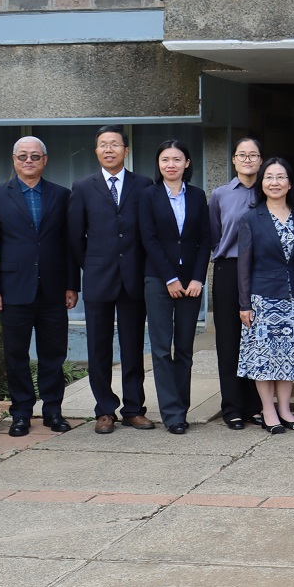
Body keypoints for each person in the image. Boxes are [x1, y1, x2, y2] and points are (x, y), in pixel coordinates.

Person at [0, 136, 79, 437]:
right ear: (14, 160)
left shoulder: (62, 195)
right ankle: (21, 413)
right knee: (16, 355)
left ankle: (53, 412)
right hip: (13, 290)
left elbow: (69, 244)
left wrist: (72, 285)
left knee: (53, 355)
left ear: (45, 160)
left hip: (53, 289)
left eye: (35, 156)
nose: (29, 161)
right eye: (23, 156)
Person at [68, 125, 154, 434]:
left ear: (126, 151)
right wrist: (89, 266)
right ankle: (104, 410)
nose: (109, 149)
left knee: (133, 348)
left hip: (133, 279)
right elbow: (75, 237)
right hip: (98, 279)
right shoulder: (82, 187)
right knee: (98, 349)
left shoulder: (143, 185)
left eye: (115, 145)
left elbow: (149, 234)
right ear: (96, 151)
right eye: (103, 145)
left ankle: (133, 408)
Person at [138, 140, 211, 435]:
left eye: (177, 159)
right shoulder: (148, 196)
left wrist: (197, 278)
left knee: (184, 348)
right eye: (165, 159)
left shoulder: (197, 196)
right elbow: (149, 239)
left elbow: (205, 239)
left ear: (187, 163)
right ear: (159, 164)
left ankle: (181, 409)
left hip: (191, 283)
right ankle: (171, 413)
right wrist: (169, 278)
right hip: (158, 280)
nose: (171, 164)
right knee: (160, 348)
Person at [237, 157, 294, 435]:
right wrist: (244, 303)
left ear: (290, 183)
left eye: (281, 177)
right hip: (262, 298)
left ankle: (286, 409)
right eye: (269, 177)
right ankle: (268, 411)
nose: (275, 182)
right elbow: (243, 265)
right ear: (261, 182)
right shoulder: (250, 218)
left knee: (289, 356)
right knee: (264, 358)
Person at [209, 137, 266, 429]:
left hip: (261, 271)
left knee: (257, 341)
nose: (247, 160)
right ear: (233, 160)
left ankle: (255, 406)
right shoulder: (220, 194)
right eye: (242, 155)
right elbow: (215, 235)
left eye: (253, 155)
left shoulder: (269, 190)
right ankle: (231, 407)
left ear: (260, 160)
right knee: (229, 341)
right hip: (229, 270)